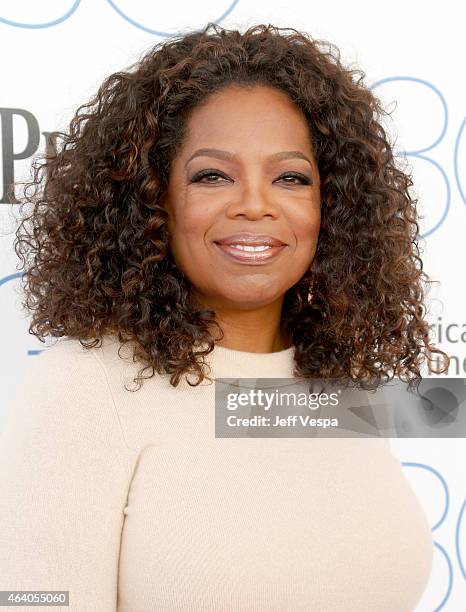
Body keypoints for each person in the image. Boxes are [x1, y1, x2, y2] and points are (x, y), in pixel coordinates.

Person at [0, 22, 449, 611]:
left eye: (290, 177)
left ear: (329, 207)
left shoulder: (336, 382)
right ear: (153, 198)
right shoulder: (85, 385)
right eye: (212, 175)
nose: (255, 204)